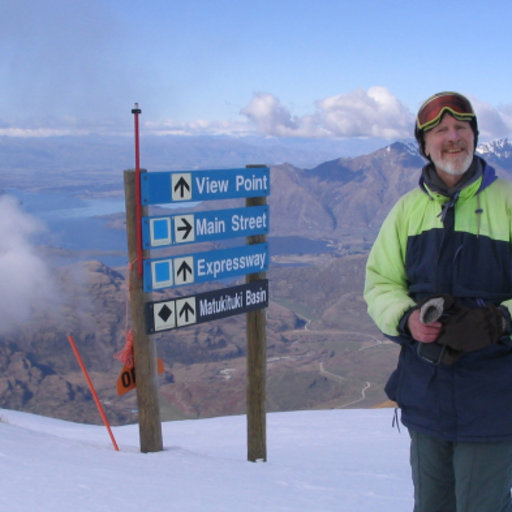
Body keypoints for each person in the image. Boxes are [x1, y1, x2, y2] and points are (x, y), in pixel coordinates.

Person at [364, 91, 512, 512]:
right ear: (424, 145)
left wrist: (499, 321)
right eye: (440, 131)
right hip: (427, 394)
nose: (452, 138)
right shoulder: (407, 211)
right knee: (432, 505)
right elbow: (380, 282)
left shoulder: (507, 202)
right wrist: (407, 318)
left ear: (475, 137)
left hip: (495, 397)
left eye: (461, 128)